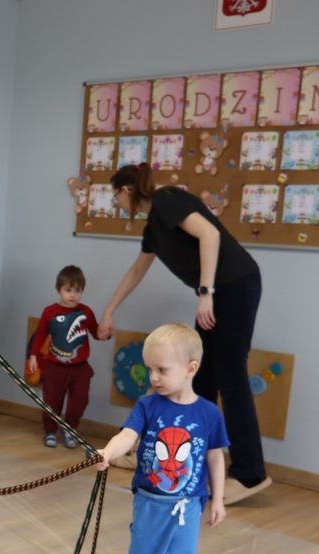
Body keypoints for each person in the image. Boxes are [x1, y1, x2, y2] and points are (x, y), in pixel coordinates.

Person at [99, 163, 271, 505]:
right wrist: (109, 311)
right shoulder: (154, 227)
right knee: (199, 376)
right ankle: (182, 455)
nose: (116, 203)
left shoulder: (167, 199)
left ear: (127, 191)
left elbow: (210, 234)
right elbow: (136, 271)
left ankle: (251, 472)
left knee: (230, 375)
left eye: (115, 195)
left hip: (233, 286)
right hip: (218, 291)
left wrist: (205, 292)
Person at [96, 323, 227, 554]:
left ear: (190, 368)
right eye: (149, 369)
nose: (153, 377)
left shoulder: (209, 414)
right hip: (149, 500)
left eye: (161, 369)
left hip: (187, 505)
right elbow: (128, 435)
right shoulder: (147, 405)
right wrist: (108, 453)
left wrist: (218, 500)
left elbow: (214, 458)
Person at [26, 265, 100, 448]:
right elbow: (40, 335)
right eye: (68, 290)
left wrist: (106, 332)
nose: (73, 295)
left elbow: (96, 333)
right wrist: (33, 356)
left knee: (80, 400)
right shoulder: (49, 312)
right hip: (54, 367)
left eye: (77, 291)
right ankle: (50, 430)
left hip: (80, 367)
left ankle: (70, 428)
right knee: (51, 400)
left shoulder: (86, 312)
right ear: (59, 289)